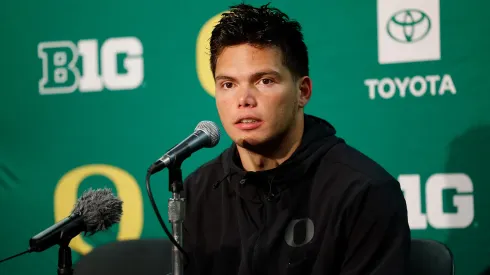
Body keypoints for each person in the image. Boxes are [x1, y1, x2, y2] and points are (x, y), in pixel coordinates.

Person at [182, 3, 411, 275]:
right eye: (228, 85)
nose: (244, 100)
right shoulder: (199, 191)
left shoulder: (364, 192)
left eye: (265, 81)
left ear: (302, 91)